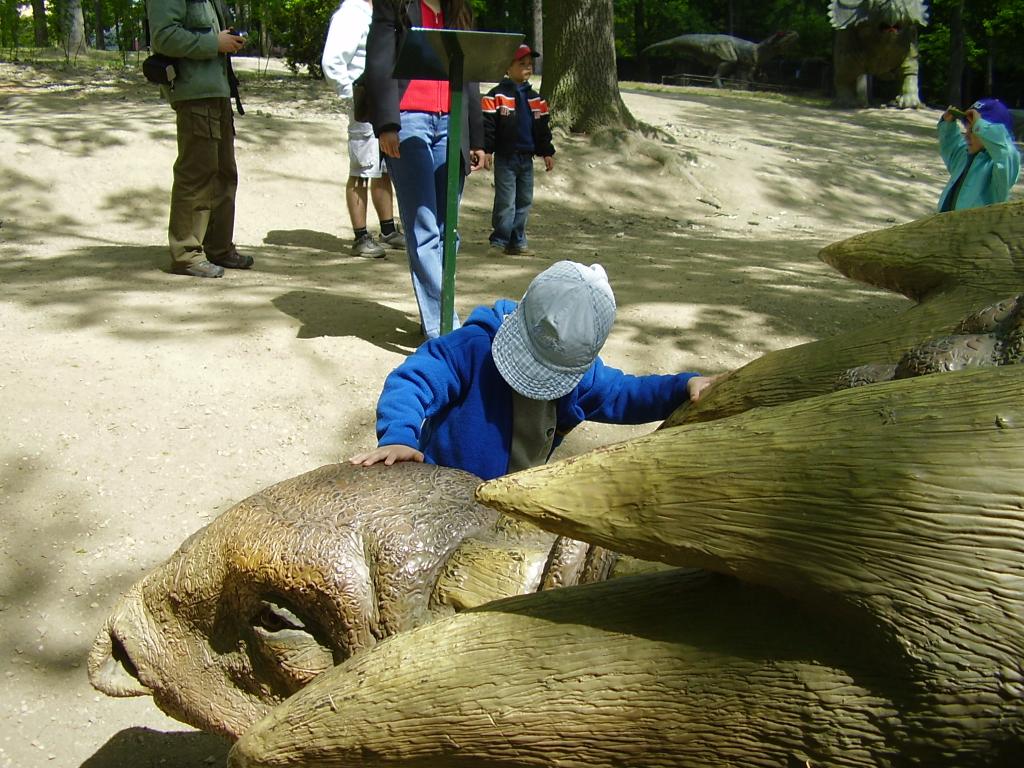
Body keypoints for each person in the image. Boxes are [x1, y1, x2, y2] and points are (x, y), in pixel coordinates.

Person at [350, 260, 717, 480]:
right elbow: (414, 379)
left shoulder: (583, 379)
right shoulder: (474, 348)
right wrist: (399, 436)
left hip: (506, 497)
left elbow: (625, 394)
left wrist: (683, 387)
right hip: (438, 487)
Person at [363, 0, 485, 339]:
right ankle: (445, 329)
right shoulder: (396, 5)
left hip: (452, 120)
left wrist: (477, 137)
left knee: (448, 231)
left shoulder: (459, 10)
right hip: (408, 119)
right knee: (424, 226)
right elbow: (379, 60)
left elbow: (470, 75)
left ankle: (434, 312)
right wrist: (387, 124)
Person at [148, 0, 253, 278]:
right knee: (196, 173)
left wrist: (227, 40)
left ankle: (218, 247)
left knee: (224, 173)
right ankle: (186, 254)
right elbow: (163, 37)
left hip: (217, 90)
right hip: (193, 93)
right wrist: (214, 43)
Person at [321, 0, 404, 258]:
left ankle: (388, 229)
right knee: (361, 169)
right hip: (365, 100)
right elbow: (332, 62)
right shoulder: (350, 14)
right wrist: (353, 95)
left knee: (384, 167)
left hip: (387, 101)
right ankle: (360, 236)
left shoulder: (385, 9)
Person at [482, 43, 555, 256]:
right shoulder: (496, 96)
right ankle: (499, 240)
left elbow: (542, 129)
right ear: (508, 67)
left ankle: (517, 240)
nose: (527, 67)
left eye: (530, 64)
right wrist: (487, 150)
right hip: (506, 158)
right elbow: (488, 127)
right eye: (522, 63)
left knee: (524, 200)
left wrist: (547, 152)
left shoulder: (537, 99)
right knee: (506, 201)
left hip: (526, 159)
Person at [937, 97, 1020, 213]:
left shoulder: (1000, 168)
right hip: (943, 223)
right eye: (966, 129)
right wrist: (947, 124)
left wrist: (982, 127)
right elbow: (950, 146)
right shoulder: (964, 156)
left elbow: (1007, 152)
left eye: (974, 130)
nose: (966, 136)